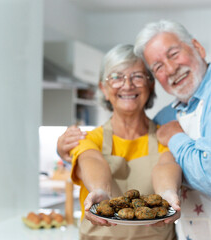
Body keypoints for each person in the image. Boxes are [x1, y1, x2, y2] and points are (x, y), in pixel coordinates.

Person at [58, 20, 211, 239]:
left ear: (198, 48)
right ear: (104, 87)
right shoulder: (169, 117)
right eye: (158, 66)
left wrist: (175, 146)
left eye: (174, 54)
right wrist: (76, 164)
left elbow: (206, 176)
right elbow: (91, 160)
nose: (171, 69)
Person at [67, 44, 181, 240]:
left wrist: (168, 193)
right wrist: (100, 191)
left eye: (137, 76)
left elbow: (166, 164)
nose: (127, 85)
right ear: (103, 87)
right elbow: (92, 161)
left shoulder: (165, 136)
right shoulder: (89, 139)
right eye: (116, 77)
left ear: (150, 84)